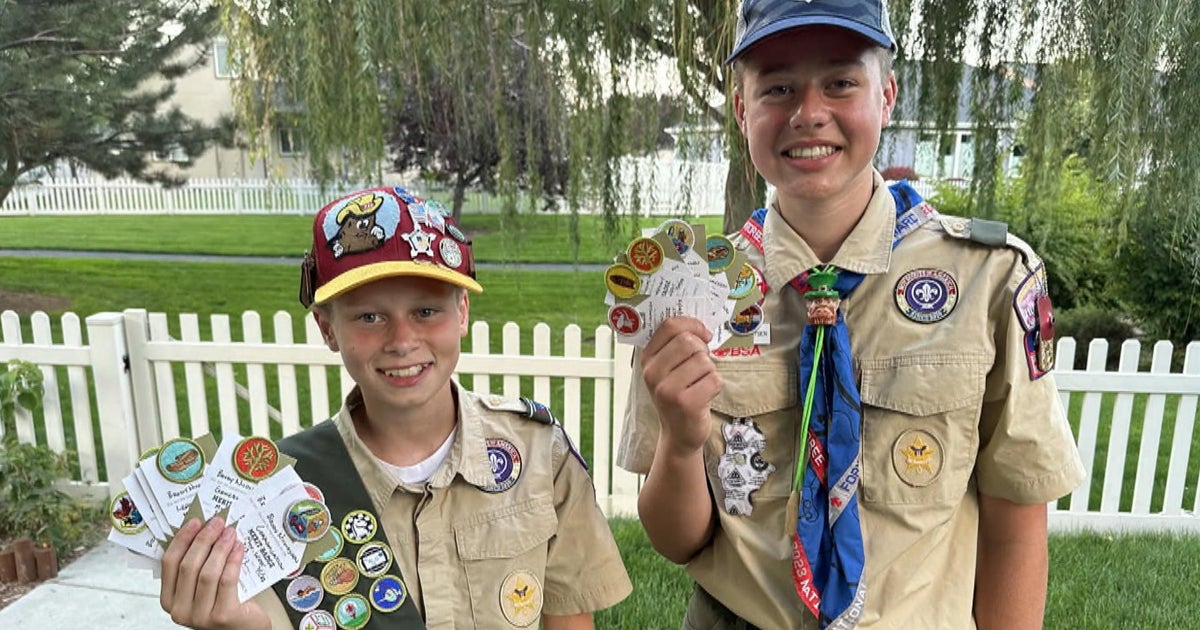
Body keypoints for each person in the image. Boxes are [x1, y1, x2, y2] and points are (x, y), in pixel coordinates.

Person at [616, 1, 1085, 629]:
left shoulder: (988, 280)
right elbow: (679, 543)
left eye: (840, 82)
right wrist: (678, 441)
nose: (809, 113)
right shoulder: (693, 294)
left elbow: (1016, 515)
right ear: (740, 109)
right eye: (777, 87)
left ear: (887, 96)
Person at [160, 186, 632, 630]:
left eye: (426, 311)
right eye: (369, 316)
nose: (402, 341)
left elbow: (569, 618)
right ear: (327, 329)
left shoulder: (538, 455)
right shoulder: (280, 495)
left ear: (462, 312)